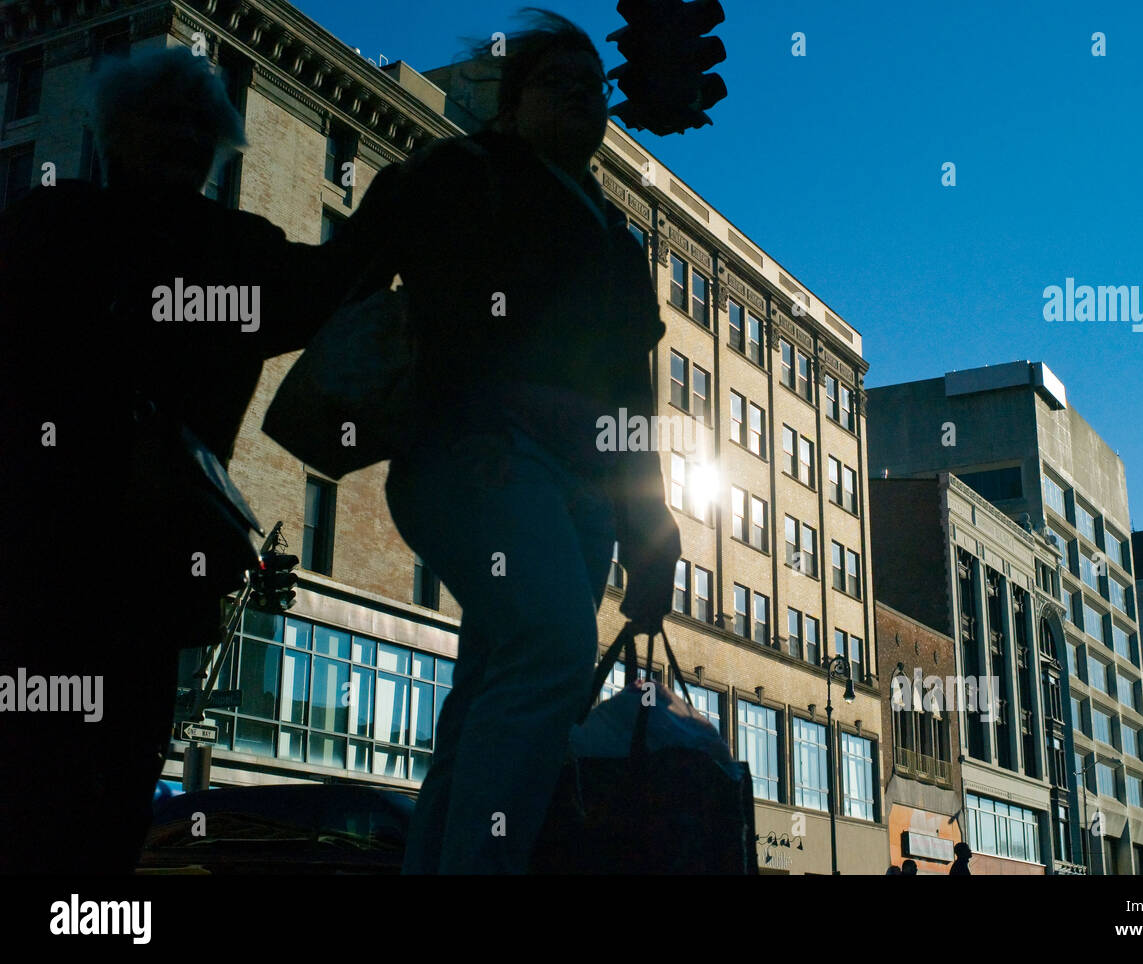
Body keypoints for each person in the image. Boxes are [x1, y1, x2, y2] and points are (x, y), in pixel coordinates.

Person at [337, 8, 680, 874]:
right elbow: (348, 274)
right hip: (476, 460)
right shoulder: (464, 172)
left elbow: (633, 397)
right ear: (511, 100)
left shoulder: (616, 235)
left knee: (490, 685)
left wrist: (651, 528)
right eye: (558, 83)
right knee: (551, 649)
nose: (584, 98)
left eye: (595, 87)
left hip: (579, 496)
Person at [0, 47, 359, 873]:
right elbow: (343, 278)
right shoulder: (231, 249)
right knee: (107, 792)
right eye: (180, 124)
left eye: (192, 124)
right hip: (144, 573)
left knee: (51, 784)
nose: (185, 140)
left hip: (52, 564)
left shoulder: (46, 225)